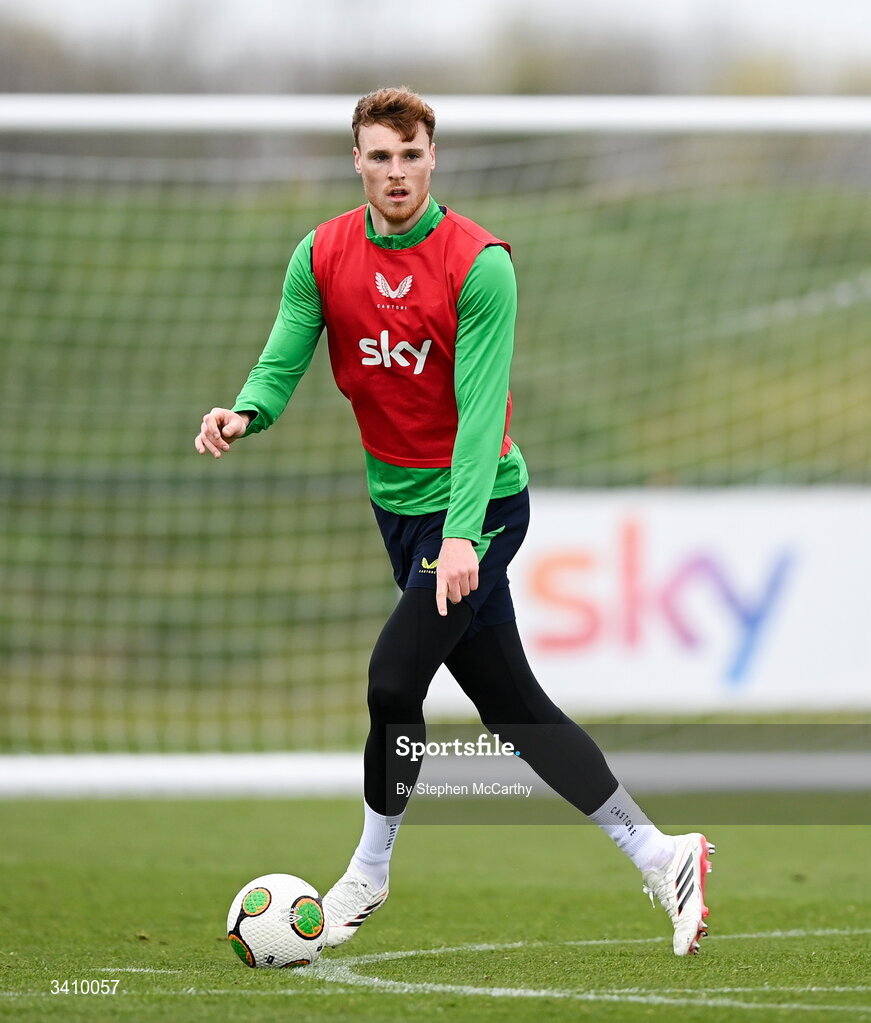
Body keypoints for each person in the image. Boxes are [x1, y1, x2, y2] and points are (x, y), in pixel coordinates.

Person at [195, 86, 714, 957]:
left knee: (393, 681)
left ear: (431, 157)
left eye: (410, 155)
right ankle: (663, 854)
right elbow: (286, 348)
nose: (395, 172)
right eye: (378, 156)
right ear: (355, 160)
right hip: (398, 508)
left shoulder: (480, 264)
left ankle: (367, 871)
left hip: (479, 506)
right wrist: (246, 411)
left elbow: (481, 417)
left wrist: (465, 534)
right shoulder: (320, 254)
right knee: (512, 708)